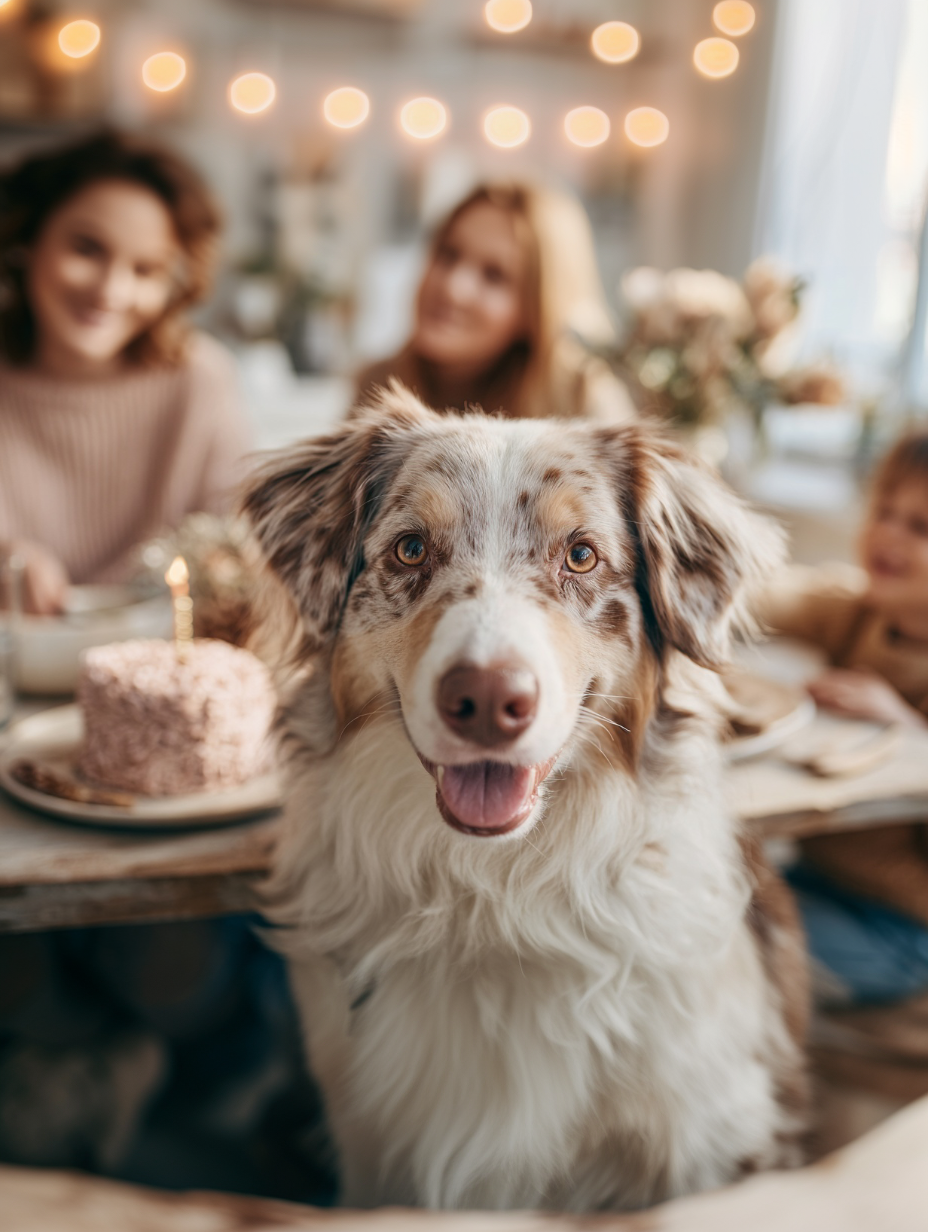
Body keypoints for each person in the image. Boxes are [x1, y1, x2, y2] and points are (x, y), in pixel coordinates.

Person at [0, 129, 251, 613]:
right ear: (28, 239)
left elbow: (240, 550)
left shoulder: (200, 378)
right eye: (87, 249)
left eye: (145, 270)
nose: (111, 291)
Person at [764, 429, 928, 1006]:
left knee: (732, 945)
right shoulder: (859, 612)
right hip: (818, 876)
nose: (889, 534)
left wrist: (909, 726)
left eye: (920, 526)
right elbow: (773, 594)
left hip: (899, 928)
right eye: (885, 512)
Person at [355, 181, 634, 422]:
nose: (453, 288)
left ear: (537, 308)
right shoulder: (377, 383)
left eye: (494, 276)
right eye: (448, 254)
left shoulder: (586, 398)